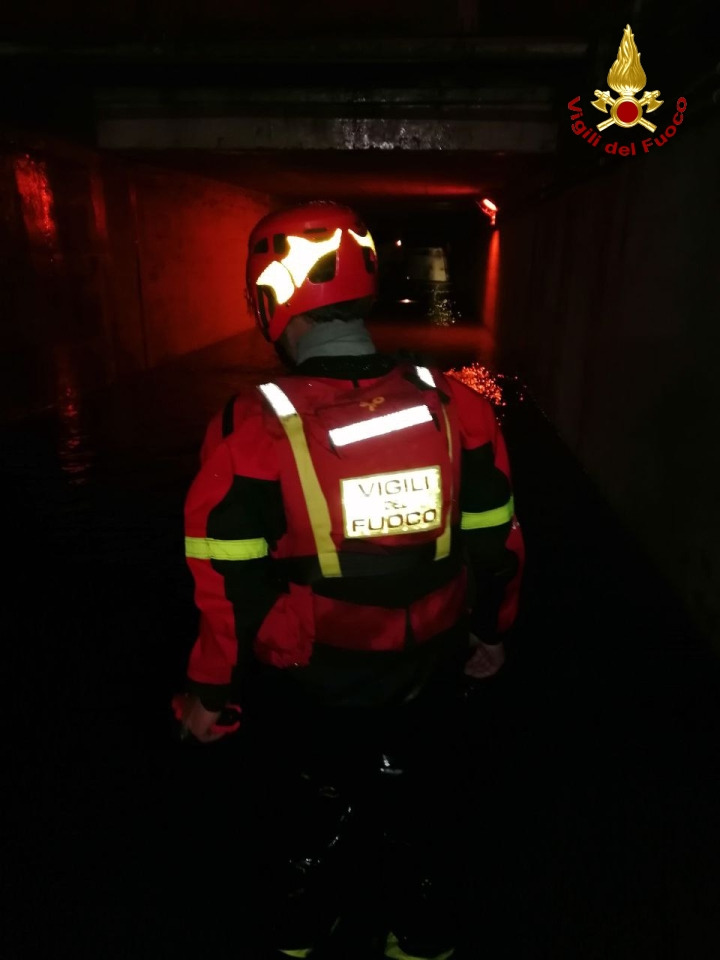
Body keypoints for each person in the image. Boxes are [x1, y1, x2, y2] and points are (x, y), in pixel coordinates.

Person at [174, 200, 525, 960]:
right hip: (430, 663)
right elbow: (495, 538)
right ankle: (420, 935)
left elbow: (226, 582)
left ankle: (303, 932)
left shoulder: (250, 427)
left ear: (269, 298)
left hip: (312, 679)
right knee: (419, 805)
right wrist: (491, 632)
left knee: (309, 812)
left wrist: (211, 692)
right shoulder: (454, 403)